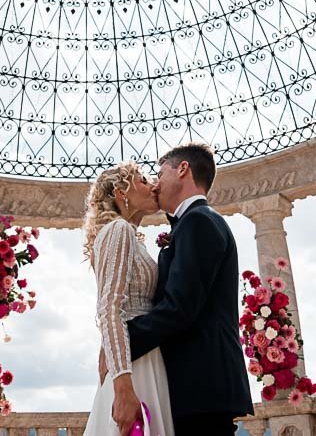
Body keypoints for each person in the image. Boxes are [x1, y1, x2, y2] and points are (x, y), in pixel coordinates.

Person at [113, 143, 254, 436]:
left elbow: (180, 307)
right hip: (197, 388)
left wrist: (120, 344)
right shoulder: (194, 222)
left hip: (201, 386)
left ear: (182, 169)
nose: (156, 184)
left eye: (160, 174)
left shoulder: (198, 221)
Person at [83, 161, 174, 436]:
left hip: (142, 352)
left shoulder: (129, 235)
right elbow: (110, 308)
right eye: (143, 181)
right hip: (135, 362)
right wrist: (122, 387)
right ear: (122, 193)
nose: (153, 186)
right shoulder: (118, 229)